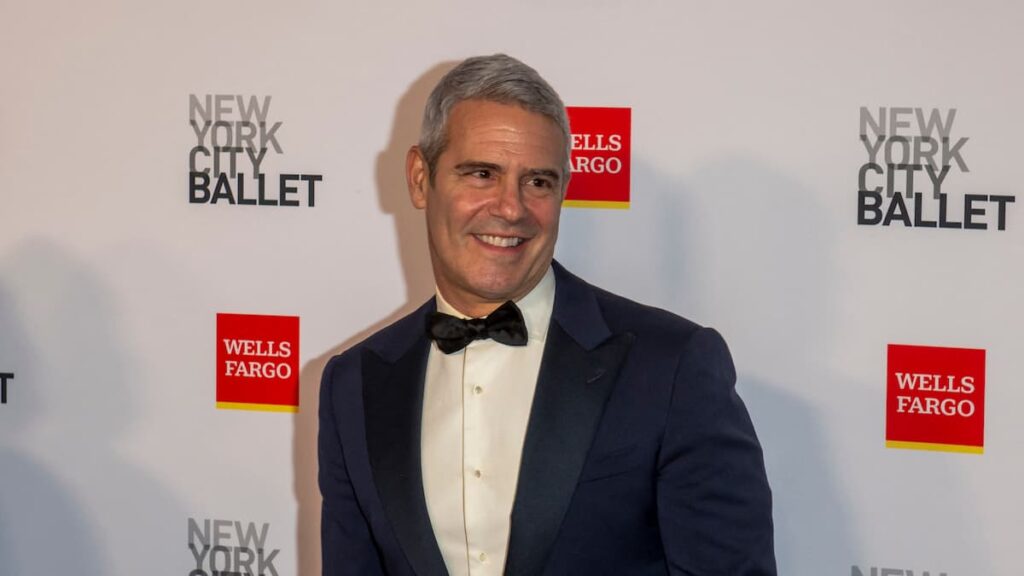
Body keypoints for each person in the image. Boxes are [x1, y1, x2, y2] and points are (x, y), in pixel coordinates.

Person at [319, 54, 776, 576]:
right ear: (420, 178)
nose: (510, 207)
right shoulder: (353, 384)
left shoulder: (671, 368)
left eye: (537, 182)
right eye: (482, 173)